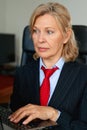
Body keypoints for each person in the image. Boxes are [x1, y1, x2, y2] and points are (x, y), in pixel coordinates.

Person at [9, 2, 87, 130]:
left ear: (66, 36)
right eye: (35, 31)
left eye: (49, 32)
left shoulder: (83, 76)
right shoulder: (22, 73)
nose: (40, 39)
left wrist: (54, 114)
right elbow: (15, 118)